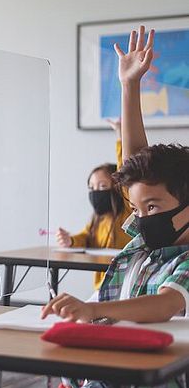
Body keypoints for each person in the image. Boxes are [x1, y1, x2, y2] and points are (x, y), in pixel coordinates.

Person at [43, 26, 189, 388]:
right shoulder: (144, 242)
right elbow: (138, 168)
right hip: (104, 368)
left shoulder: (184, 259)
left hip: (144, 385)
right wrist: (129, 86)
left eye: (152, 207)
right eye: (136, 209)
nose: (140, 218)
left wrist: (91, 313)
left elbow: (166, 303)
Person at [55, 123, 132, 289]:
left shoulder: (127, 213)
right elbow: (86, 237)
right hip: (101, 287)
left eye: (103, 186)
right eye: (92, 187)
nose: (96, 192)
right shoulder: (97, 219)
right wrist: (70, 240)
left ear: (116, 187)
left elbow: (125, 170)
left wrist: (120, 135)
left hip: (123, 285)